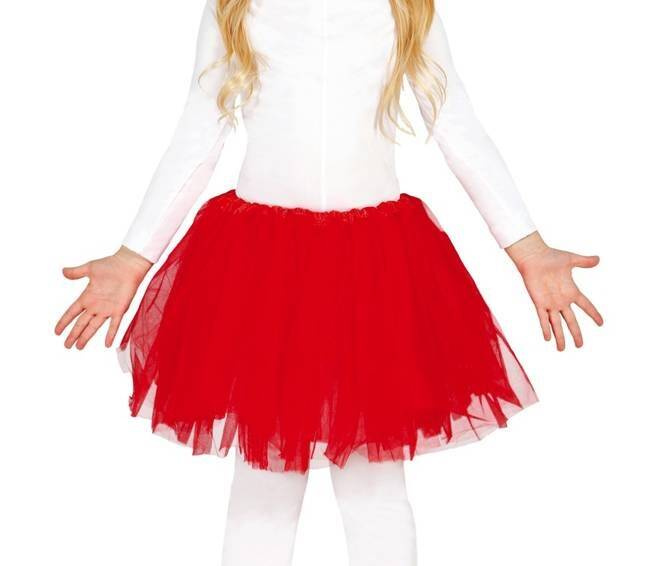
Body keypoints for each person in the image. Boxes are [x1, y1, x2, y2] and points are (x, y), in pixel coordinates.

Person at [55, 1, 603, 564]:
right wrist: (132, 258)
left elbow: (454, 122)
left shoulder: (405, 7)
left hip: (374, 274)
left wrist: (527, 248)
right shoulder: (236, 7)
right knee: (265, 481)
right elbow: (199, 133)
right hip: (262, 274)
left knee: (374, 486)